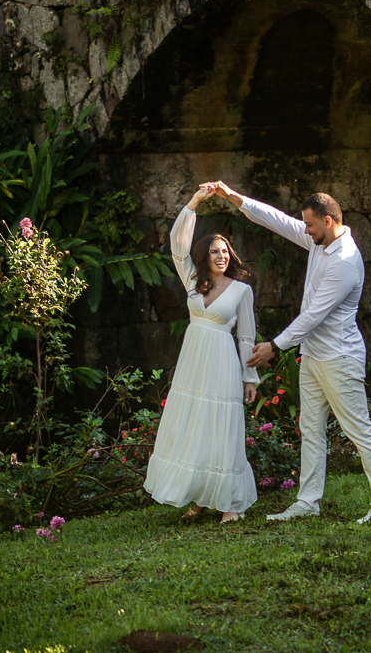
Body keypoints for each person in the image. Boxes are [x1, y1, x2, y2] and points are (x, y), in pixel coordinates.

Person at [207, 181, 371, 524]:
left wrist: (274, 346)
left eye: (309, 224)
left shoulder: (345, 261)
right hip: (312, 357)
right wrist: (234, 198)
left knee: (360, 431)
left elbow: (313, 316)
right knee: (310, 430)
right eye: (304, 224)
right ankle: (308, 502)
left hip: (340, 358)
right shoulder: (319, 240)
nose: (304, 229)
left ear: (328, 221)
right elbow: (277, 220)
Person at [143, 184, 259, 523]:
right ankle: (199, 496)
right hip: (194, 364)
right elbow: (178, 245)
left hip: (223, 363)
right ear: (204, 258)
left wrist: (249, 376)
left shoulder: (241, 291)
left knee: (222, 426)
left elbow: (246, 337)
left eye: (225, 251)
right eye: (215, 252)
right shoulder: (193, 280)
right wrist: (195, 202)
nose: (221, 256)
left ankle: (228, 505)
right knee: (194, 425)